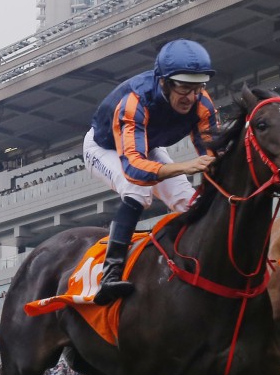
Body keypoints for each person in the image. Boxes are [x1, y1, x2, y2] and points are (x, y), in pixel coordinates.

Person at [83, 39, 221, 305]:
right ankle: (110, 275)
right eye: (183, 87)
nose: (190, 97)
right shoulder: (135, 101)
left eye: (197, 88)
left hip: (148, 145)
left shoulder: (203, 103)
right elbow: (134, 168)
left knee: (188, 201)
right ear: (164, 82)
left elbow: (212, 153)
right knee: (137, 190)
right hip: (104, 147)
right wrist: (183, 166)